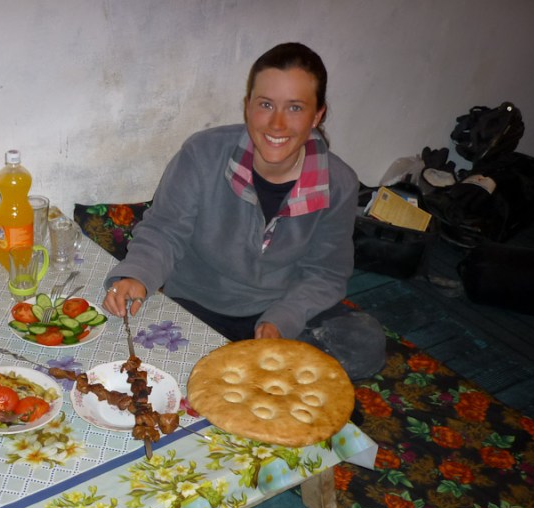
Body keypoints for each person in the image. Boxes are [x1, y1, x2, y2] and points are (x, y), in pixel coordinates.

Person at [102, 42, 385, 379]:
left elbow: (326, 273)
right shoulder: (202, 153)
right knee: (138, 356)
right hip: (198, 305)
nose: (277, 123)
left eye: (295, 108)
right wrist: (138, 275)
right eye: (266, 104)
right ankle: (252, 372)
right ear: (247, 106)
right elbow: (164, 231)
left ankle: (246, 368)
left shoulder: (337, 183)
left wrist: (281, 320)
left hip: (277, 311)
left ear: (317, 115)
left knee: (363, 343)